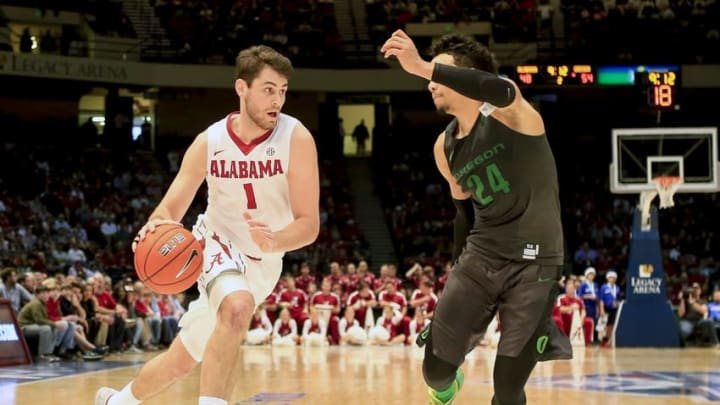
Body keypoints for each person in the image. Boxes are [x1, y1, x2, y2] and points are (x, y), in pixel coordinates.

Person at [96, 45, 320, 405]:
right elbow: (170, 208)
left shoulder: (297, 138)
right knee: (236, 306)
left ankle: (117, 402)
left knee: (181, 361)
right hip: (216, 242)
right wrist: (153, 226)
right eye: (267, 89)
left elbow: (309, 225)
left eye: (282, 91)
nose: (277, 100)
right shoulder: (209, 142)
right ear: (241, 88)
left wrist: (275, 240)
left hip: (266, 260)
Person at [381, 30, 572, 404]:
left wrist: (422, 66)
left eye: (441, 73)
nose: (431, 83)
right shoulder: (444, 146)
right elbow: (463, 215)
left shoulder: (514, 114)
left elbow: (499, 89)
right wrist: (457, 269)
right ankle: (447, 381)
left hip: (535, 264)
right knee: (434, 371)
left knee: (507, 386)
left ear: (467, 78)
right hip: (482, 257)